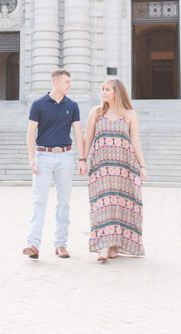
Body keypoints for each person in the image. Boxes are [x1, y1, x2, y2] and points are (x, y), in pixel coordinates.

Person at [80, 78, 147, 262]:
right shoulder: (96, 112)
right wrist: (83, 160)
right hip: (101, 168)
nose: (103, 92)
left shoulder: (129, 114)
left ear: (117, 92)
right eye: (103, 89)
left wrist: (142, 166)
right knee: (103, 204)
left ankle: (114, 244)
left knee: (120, 204)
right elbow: (88, 138)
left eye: (107, 89)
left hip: (124, 168)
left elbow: (135, 141)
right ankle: (104, 245)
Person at [23, 69, 85, 260]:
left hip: (65, 156)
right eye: (67, 82)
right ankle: (33, 243)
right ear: (56, 83)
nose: (70, 85)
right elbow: (31, 132)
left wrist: (82, 159)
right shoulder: (38, 105)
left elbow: (78, 133)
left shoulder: (72, 105)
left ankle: (61, 244)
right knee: (39, 200)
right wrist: (31, 158)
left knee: (63, 202)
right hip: (43, 156)